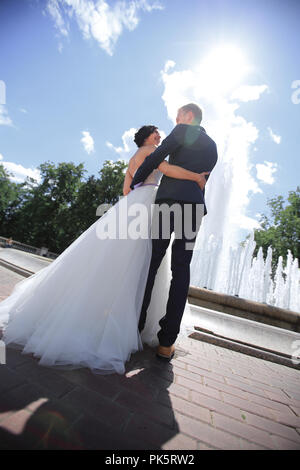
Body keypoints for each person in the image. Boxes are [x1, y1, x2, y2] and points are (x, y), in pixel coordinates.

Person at [0, 124, 208, 375]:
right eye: (155, 133)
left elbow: (125, 189)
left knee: (124, 260)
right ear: (147, 137)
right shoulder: (151, 151)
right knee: (142, 261)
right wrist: (196, 177)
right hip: (149, 203)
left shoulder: (133, 159)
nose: (159, 137)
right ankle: (128, 323)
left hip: (132, 202)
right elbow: (167, 169)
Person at [130, 103, 218, 361]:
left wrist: (137, 181)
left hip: (168, 203)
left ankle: (136, 326)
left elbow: (156, 158)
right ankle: (166, 343)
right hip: (193, 208)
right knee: (182, 270)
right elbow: (203, 180)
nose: (176, 119)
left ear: (188, 116)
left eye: (179, 115)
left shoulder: (181, 131)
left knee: (152, 262)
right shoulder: (213, 146)